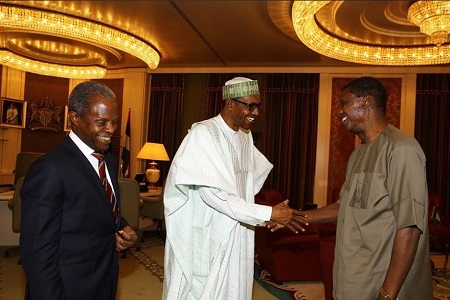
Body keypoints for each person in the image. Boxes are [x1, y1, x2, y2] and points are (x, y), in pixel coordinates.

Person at [283, 77, 432, 300]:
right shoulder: (357, 153)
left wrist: (388, 294)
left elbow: (410, 227)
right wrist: (296, 216)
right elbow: (345, 205)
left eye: (344, 102)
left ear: (365, 102)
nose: (339, 111)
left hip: (382, 281)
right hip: (354, 277)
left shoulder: (401, 149)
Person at [163, 77, 306, 299]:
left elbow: (246, 185)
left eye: (258, 106)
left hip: (239, 227)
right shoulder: (204, 134)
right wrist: (267, 212)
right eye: (250, 106)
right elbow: (213, 196)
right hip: (210, 229)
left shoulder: (245, 136)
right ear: (230, 103)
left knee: (235, 286)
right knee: (206, 290)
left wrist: (260, 215)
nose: (256, 113)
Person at [20, 81, 138, 300]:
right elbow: (37, 255)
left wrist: (122, 226)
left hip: (105, 278)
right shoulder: (50, 169)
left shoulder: (109, 161)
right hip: (68, 287)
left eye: (114, 122)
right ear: (74, 118)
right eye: (101, 122)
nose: (110, 130)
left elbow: (99, 206)